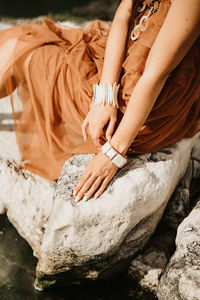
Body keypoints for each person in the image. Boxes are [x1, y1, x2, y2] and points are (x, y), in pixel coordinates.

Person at [0, 0, 200, 202]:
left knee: (20, 50)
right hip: (126, 67)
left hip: (144, 107)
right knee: (21, 40)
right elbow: (125, 12)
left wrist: (113, 153)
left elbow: (155, 75)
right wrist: (105, 96)